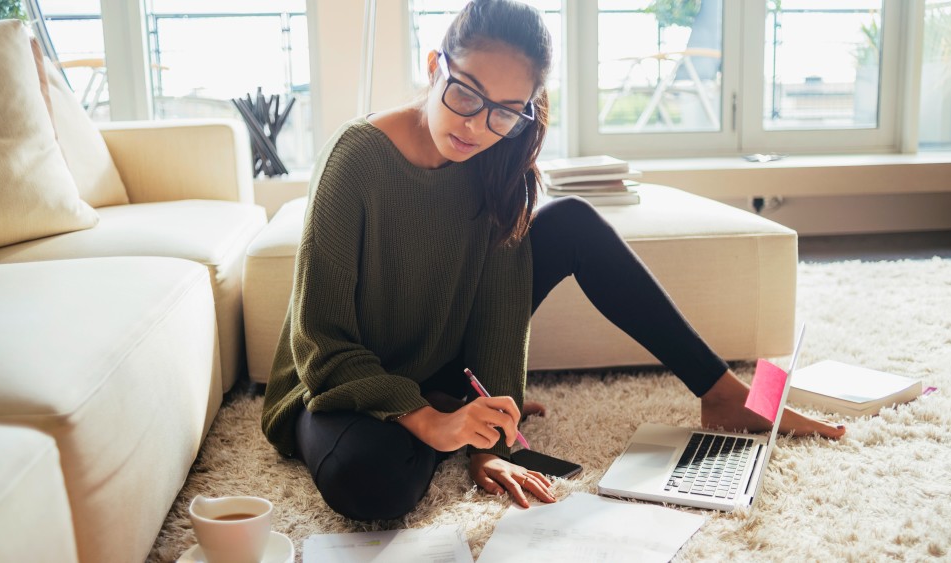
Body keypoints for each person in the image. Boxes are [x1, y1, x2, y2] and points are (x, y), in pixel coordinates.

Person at [261, 0, 845, 522]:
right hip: (338, 381)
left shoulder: (498, 157)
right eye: (464, 91)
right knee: (371, 485)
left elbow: (498, 306)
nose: (474, 125)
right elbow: (322, 342)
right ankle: (442, 415)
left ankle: (722, 391)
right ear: (435, 64)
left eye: (505, 111)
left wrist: (492, 439)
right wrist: (427, 418)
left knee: (570, 222)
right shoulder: (355, 160)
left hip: (440, 359)